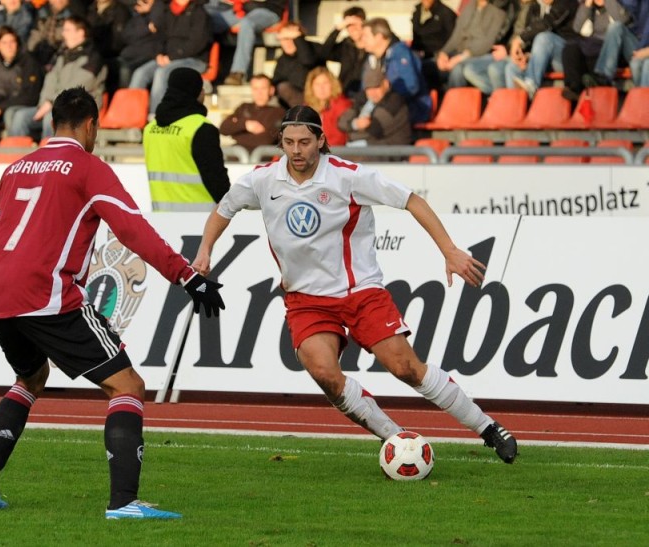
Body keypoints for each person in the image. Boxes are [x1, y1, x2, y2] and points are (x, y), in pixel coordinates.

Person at [192, 105, 519, 465]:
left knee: (405, 368)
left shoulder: (349, 177)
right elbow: (225, 208)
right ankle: (397, 441)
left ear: (321, 140)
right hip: (305, 300)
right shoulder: (262, 179)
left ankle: (488, 428)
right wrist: (205, 250)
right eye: (289, 142)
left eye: (304, 142)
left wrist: (449, 250)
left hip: (361, 292)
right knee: (323, 373)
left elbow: (412, 200)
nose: (297, 150)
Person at [0, 86, 225, 519]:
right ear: (91, 125)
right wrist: (186, 276)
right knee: (127, 386)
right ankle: (124, 503)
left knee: (30, 378)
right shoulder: (87, 167)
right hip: (47, 294)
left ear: (52, 124)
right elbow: (132, 231)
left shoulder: (14, 170)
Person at [142, 66, 230, 211]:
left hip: (161, 221)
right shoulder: (201, 128)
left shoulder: (150, 129)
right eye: (201, 88)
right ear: (195, 91)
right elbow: (216, 180)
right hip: (201, 221)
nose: (203, 93)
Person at [7, 15, 105, 141]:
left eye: (67, 30)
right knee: (20, 116)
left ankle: (51, 156)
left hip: (79, 108)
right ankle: (20, 157)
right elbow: (50, 79)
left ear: (80, 33)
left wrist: (51, 103)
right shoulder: (62, 56)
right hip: (54, 105)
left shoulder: (93, 58)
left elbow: (77, 87)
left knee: (52, 118)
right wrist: (45, 102)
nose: (63, 34)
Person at [128, 0, 212, 115]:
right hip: (168, 58)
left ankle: (156, 116)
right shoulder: (168, 11)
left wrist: (172, 56)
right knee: (140, 73)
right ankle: (132, 116)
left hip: (194, 59)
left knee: (161, 73)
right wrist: (158, 54)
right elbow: (159, 37)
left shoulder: (200, 13)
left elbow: (197, 43)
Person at [361, 18, 431, 125]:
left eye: (365, 36)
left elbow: (411, 87)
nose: (362, 40)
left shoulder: (400, 53)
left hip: (412, 107)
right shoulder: (372, 59)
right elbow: (365, 87)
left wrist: (384, 96)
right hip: (383, 107)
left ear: (379, 37)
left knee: (373, 123)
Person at [204, 0, 287, 86]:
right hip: (244, 10)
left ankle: (238, 73)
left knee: (247, 23)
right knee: (207, 19)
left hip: (268, 10)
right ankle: (200, 67)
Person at [0, 26, 44, 137]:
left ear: (17, 44)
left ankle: (14, 151)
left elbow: (30, 97)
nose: (9, 46)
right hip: (2, 106)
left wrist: (0, 108)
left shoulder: (29, 62)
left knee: (11, 113)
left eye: (12, 42)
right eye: (4, 43)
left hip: (28, 106)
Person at [508, 0, 579, 98]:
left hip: (568, 56)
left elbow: (547, 23)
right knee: (512, 67)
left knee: (544, 38)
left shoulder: (566, 2)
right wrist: (529, 56)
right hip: (549, 58)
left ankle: (531, 85)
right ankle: (516, 107)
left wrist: (519, 39)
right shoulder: (535, 7)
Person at [435, 0, 506, 89]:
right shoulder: (469, 8)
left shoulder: (497, 12)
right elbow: (456, 36)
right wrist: (443, 53)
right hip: (460, 51)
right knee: (430, 65)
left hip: (480, 54)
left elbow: (486, 43)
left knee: (457, 69)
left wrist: (460, 58)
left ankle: (456, 100)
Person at [337, 67, 411, 147]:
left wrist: (350, 132)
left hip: (389, 149)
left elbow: (376, 129)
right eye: (368, 88)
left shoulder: (394, 102)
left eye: (376, 87)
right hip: (364, 147)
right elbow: (341, 122)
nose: (372, 93)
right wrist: (355, 124)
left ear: (386, 84)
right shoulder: (362, 99)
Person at [219, 73, 284, 152]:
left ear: (271, 90)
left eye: (263, 88)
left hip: (262, 160)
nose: (259, 93)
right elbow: (224, 128)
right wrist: (246, 124)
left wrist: (237, 135)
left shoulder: (279, 113)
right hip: (237, 158)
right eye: (255, 89)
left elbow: (267, 140)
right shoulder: (244, 107)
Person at [316, 5, 366, 98]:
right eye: (348, 26)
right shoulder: (345, 45)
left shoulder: (373, 44)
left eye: (355, 24)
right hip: (345, 92)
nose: (352, 29)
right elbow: (323, 53)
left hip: (367, 93)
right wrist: (337, 29)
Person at [269, 21, 319, 109]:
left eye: (292, 38)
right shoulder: (282, 60)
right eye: (284, 39)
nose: (288, 43)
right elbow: (276, 81)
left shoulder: (312, 52)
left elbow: (307, 61)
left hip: (313, 100)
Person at [411, 0, 457, 91]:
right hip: (418, 53)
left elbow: (453, 41)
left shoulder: (446, 13)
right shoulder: (417, 11)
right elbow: (415, 38)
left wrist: (443, 54)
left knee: (419, 69)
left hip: (438, 55)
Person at [303, 66, 351, 146]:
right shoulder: (306, 108)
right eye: (317, 84)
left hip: (333, 152)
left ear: (332, 85)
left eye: (325, 83)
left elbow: (339, 138)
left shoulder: (342, 105)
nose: (321, 88)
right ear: (311, 87)